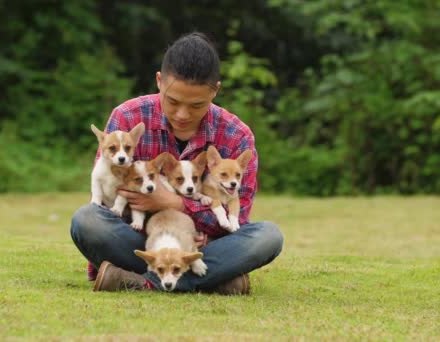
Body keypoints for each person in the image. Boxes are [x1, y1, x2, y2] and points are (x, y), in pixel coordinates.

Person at [70, 32, 283, 294]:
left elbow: (236, 218)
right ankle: (212, 280)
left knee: (267, 238)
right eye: (172, 101)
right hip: (142, 239)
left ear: (215, 90)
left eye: (196, 105)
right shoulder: (127, 117)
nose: (182, 114)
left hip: (203, 245)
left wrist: (178, 204)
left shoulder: (237, 135)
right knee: (87, 221)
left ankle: (143, 282)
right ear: (159, 81)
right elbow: (107, 192)